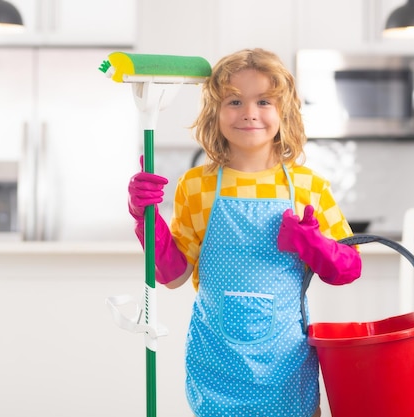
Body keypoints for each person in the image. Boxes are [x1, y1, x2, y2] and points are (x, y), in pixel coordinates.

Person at [127, 48, 362, 417]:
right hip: (217, 361)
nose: (250, 112)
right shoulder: (196, 186)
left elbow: (349, 267)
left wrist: (313, 244)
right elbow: (172, 275)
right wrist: (146, 218)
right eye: (234, 101)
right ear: (214, 113)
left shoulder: (307, 187)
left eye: (264, 101)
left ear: (283, 113)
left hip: (285, 362)